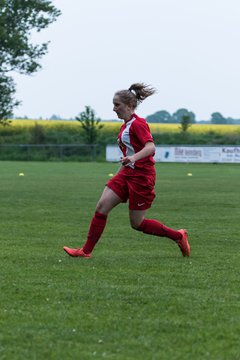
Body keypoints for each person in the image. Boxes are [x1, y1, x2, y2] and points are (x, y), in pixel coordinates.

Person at [63, 83, 190, 258]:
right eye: (113, 104)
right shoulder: (125, 125)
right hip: (126, 174)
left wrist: (133, 158)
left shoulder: (138, 124)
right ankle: (85, 251)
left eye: (117, 104)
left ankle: (178, 236)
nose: (114, 108)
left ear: (129, 106)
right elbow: (129, 154)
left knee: (137, 224)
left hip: (141, 177)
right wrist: (121, 171)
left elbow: (151, 147)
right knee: (101, 207)